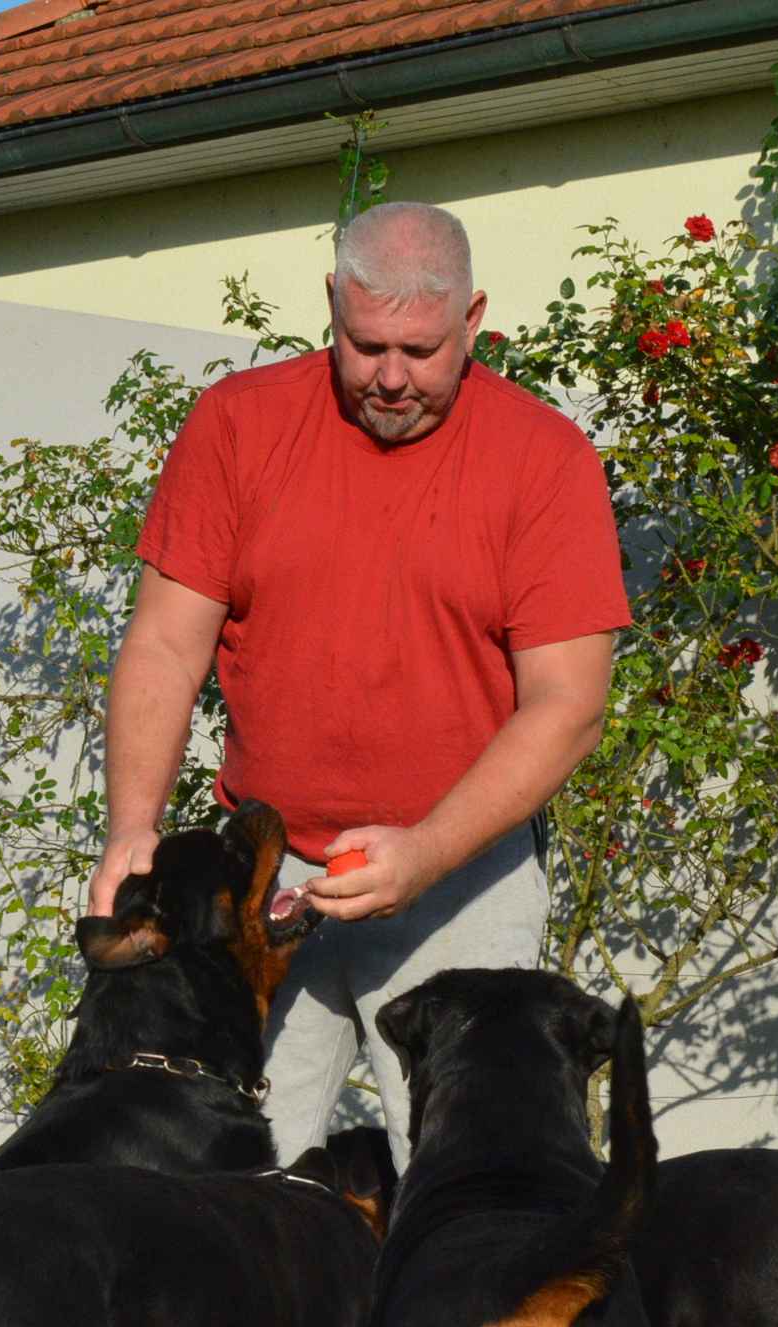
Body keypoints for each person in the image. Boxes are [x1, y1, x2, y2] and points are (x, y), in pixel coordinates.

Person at [85, 201, 629, 1165]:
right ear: (331, 304)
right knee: (232, 1181)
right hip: (268, 885)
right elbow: (167, 645)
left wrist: (423, 853)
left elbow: (569, 705)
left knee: (466, 1196)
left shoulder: (543, 459)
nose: (388, 377)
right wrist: (135, 826)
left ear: (474, 322)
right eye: (363, 342)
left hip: (462, 880)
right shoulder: (239, 426)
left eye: (420, 351)